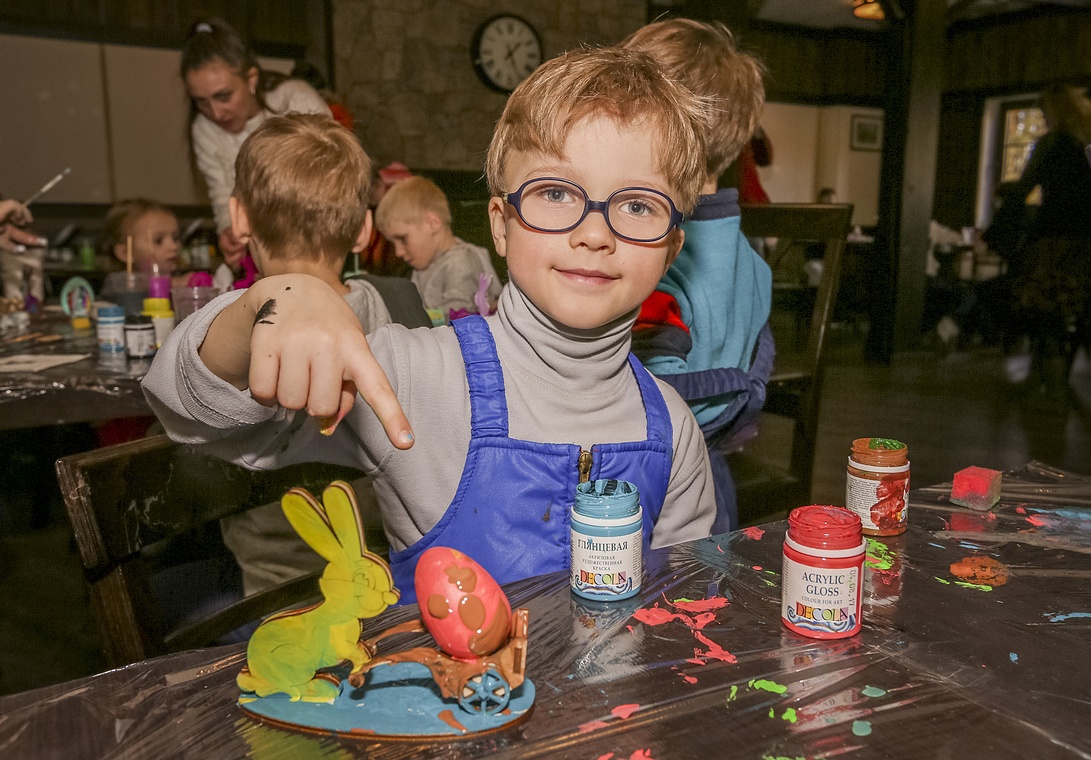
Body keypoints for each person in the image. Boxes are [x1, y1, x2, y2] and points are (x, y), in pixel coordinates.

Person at [142, 47, 716, 603]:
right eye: (556, 193)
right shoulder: (411, 378)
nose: (595, 233)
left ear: (670, 249)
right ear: (500, 224)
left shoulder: (673, 428)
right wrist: (267, 302)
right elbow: (189, 409)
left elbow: (682, 613)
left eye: (638, 206)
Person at [218, 112, 395, 595]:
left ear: (239, 218)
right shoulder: (393, 307)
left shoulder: (234, 330)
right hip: (384, 576)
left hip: (272, 598)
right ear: (364, 230)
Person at [621, 19, 774, 532]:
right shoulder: (751, 259)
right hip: (716, 474)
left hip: (651, 485)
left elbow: (635, 397)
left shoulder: (653, 248)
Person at [1006, 84, 1091, 410]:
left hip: (1052, 238)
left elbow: (1024, 188)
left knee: (1042, 308)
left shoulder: (1052, 145)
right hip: (1089, 241)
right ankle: (1048, 383)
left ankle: (1051, 387)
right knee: (1061, 310)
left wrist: (1005, 219)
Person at [180, 18, 331, 289]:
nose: (215, 113)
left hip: (319, 249)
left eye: (224, 96)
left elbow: (333, 178)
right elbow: (221, 195)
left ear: (251, 79)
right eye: (201, 102)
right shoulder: (203, 129)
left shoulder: (294, 100)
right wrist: (228, 230)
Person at [374, 175, 503, 323]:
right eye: (393, 243)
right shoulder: (424, 262)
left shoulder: (460, 263)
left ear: (433, 223)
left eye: (403, 239)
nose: (398, 252)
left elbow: (456, 319)